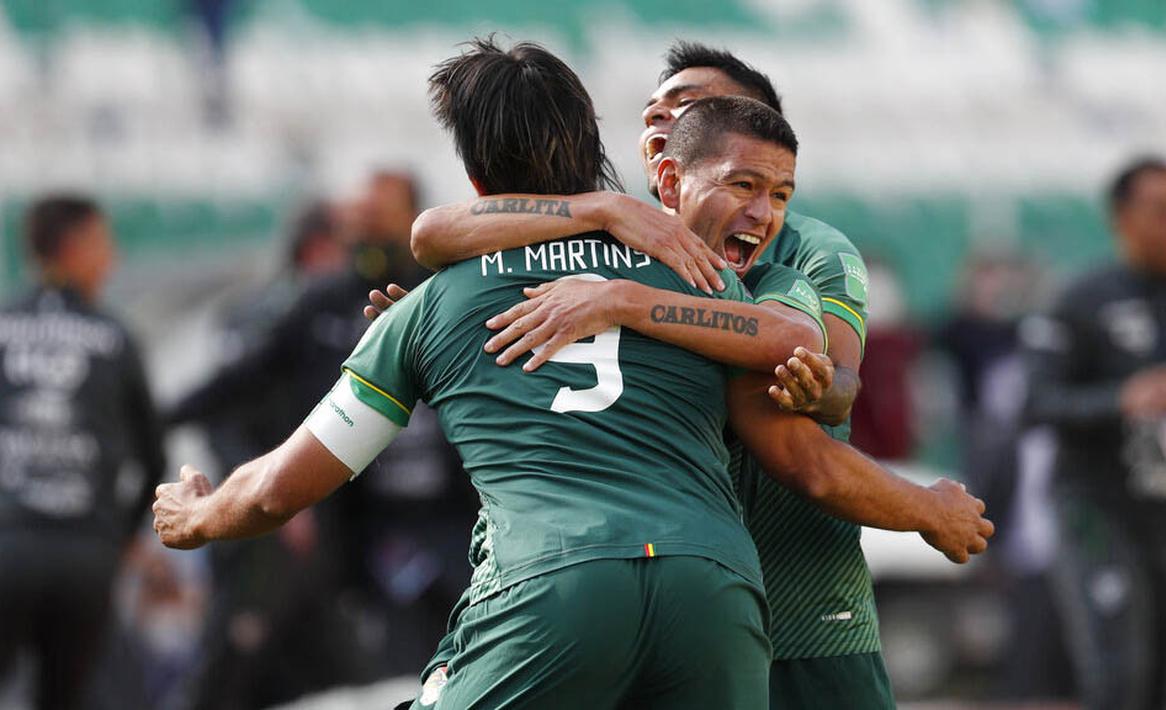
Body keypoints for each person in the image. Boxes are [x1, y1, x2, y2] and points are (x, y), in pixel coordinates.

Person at [154, 39, 991, 710]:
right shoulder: (702, 275)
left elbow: (279, 490)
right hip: (716, 590)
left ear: (478, 176)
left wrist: (196, 516)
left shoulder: (431, 306)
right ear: (625, 160)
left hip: (553, 586)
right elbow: (789, 415)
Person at [396, 41, 893, 708]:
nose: (663, 118)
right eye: (654, 109)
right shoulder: (632, 233)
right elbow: (433, 233)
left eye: (690, 107)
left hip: (795, 604)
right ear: (664, 174)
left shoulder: (802, 254)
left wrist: (627, 302)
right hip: (646, 586)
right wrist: (447, 323)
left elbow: (827, 396)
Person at [1022, 156, 1166, 710]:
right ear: (1123, 218)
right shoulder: (1082, 300)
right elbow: (1035, 402)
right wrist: (1122, 398)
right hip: (1098, 508)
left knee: (1163, 677)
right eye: (1162, 210)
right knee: (1119, 674)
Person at [0, 194, 166, 710]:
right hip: (86, 556)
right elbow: (154, 459)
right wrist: (119, 534)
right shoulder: (113, 337)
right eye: (104, 244)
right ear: (75, 247)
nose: (112, 260)